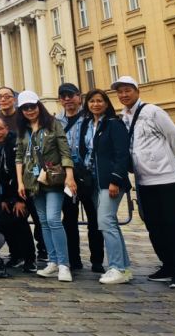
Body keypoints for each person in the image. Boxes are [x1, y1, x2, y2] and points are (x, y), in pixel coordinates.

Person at [115, 76, 175, 289]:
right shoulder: (124, 117)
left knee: (173, 224)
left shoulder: (153, 111)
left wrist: (171, 162)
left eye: (127, 90)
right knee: (154, 225)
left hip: (166, 178)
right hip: (143, 179)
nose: (124, 95)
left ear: (137, 91)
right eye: (120, 92)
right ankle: (167, 264)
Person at [15, 90, 77, 282]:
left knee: (53, 219)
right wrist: (20, 182)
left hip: (52, 179)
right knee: (43, 221)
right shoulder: (22, 129)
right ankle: (53, 261)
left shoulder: (53, 124)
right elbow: (19, 157)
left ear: (38, 106)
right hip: (32, 181)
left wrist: (70, 176)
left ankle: (64, 264)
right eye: (25, 108)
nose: (29, 110)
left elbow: (65, 151)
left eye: (32, 106)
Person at [82, 88, 133, 284]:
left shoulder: (114, 124)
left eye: (99, 101)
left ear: (106, 103)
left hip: (110, 181)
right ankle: (124, 267)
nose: (95, 104)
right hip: (94, 181)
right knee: (110, 222)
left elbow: (122, 154)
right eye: (92, 101)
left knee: (105, 221)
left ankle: (116, 267)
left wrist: (115, 179)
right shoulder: (88, 124)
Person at [57, 82, 103, 273]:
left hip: (88, 175)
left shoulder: (89, 118)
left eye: (71, 95)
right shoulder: (57, 122)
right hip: (66, 177)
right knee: (69, 219)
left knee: (94, 219)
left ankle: (97, 260)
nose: (68, 99)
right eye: (64, 96)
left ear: (79, 97)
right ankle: (74, 259)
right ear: (60, 100)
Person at [0, 116, 36, 272]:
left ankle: (30, 259)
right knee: (5, 222)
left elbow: (22, 173)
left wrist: (21, 200)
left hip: (22, 190)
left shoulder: (16, 142)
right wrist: (1, 199)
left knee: (20, 221)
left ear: (7, 128)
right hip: (5, 193)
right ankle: (16, 255)